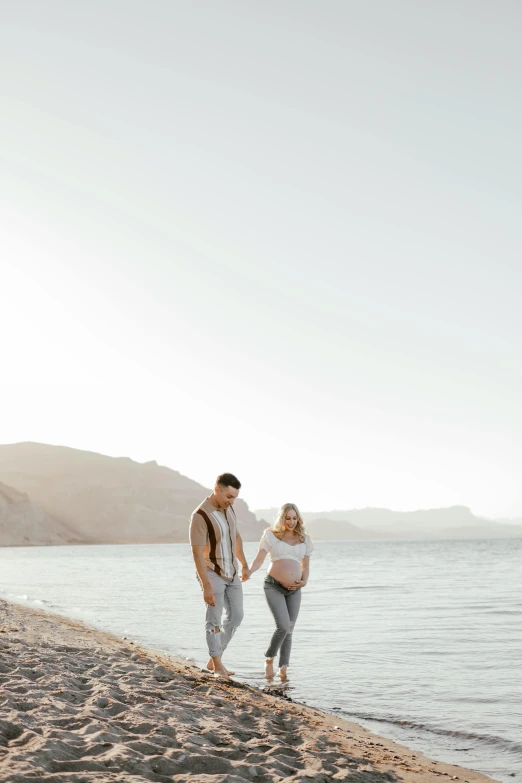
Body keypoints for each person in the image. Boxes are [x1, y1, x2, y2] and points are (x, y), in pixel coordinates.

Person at [189, 473, 250, 679]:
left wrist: (244, 564)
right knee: (214, 620)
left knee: (237, 615)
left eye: (234, 497)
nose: (231, 501)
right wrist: (206, 585)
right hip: (212, 572)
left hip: (232, 573)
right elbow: (196, 553)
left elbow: (236, 537)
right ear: (217, 489)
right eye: (229, 497)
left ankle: (215, 656)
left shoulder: (228, 509)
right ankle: (217, 666)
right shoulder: (201, 515)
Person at [249, 503, 313, 680]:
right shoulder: (271, 535)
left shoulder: (304, 539)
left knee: (289, 629)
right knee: (283, 626)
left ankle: (283, 669)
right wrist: (248, 571)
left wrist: (304, 582)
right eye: (288, 518)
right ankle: (269, 658)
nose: (291, 522)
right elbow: (259, 559)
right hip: (273, 585)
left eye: (294, 518)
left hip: (295, 590)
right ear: (282, 518)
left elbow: (305, 567)